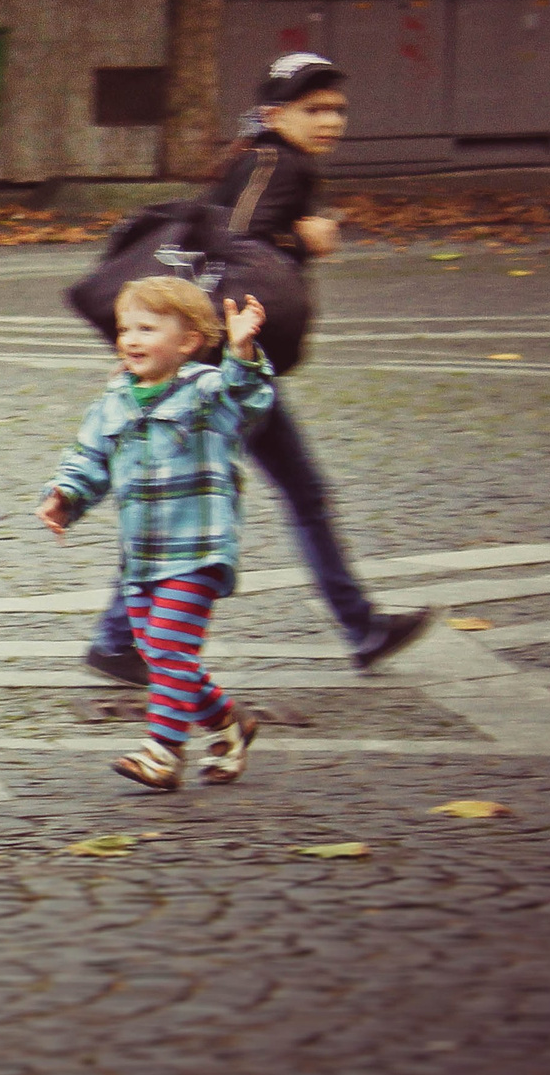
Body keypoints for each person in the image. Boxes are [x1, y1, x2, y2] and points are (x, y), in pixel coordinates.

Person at [82, 53, 432, 686]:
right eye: (314, 108)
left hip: (234, 364)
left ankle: (362, 627)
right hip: (227, 368)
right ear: (275, 113)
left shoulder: (274, 161)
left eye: (337, 109)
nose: (330, 121)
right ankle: (117, 638)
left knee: (282, 492)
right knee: (198, 498)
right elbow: (231, 249)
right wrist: (306, 240)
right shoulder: (272, 162)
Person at [42, 279, 275, 791]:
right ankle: (228, 722)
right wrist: (65, 495)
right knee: (162, 654)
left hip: (197, 551)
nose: (131, 339)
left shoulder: (207, 392)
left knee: (168, 647)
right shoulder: (115, 398)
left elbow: (250, 398)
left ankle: (163, 752)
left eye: (147, 329)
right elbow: (90, 456)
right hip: (142, 556)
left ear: (189, 342)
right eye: (126, 328)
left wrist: (241, 350)